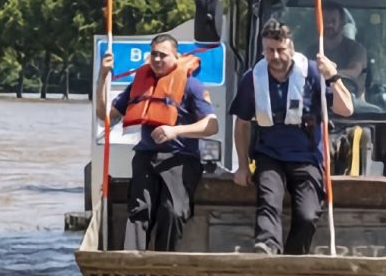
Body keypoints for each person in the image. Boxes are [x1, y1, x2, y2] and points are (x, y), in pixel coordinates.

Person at [230, 20, 354, 255]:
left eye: (280, 50)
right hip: (269, 155)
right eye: (269, 50)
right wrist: (243, 166)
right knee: (268, 200)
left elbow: (346, 109)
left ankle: (293, 258)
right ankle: (266, 247)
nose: (275, 56)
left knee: (307, 216)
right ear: (263, 49)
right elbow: (242, 124)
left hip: (306, 157)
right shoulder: (252, 78)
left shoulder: (312, 73)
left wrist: (333, 77)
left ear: (291, 48)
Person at [96, 33, 218, 251]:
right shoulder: (140, 84)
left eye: (163, 55)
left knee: (171, 212)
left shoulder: (193, 86)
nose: (158, 60)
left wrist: (175, 131)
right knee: (138, 213)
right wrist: (102, 76)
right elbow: (105, 117)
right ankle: (130, 264)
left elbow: (211, 126)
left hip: (180, 160)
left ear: (176, 56)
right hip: (146, 157)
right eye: (154, 55)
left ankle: (162, 262)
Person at [306, 1, 368, 96]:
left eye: (333, 21)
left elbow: (354, 72)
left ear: (342, 23)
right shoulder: (312, 51)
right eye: (324, 21)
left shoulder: (356, 49)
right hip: (319, 102)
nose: (328, 25)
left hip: (353, 103)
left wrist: (329, 73)